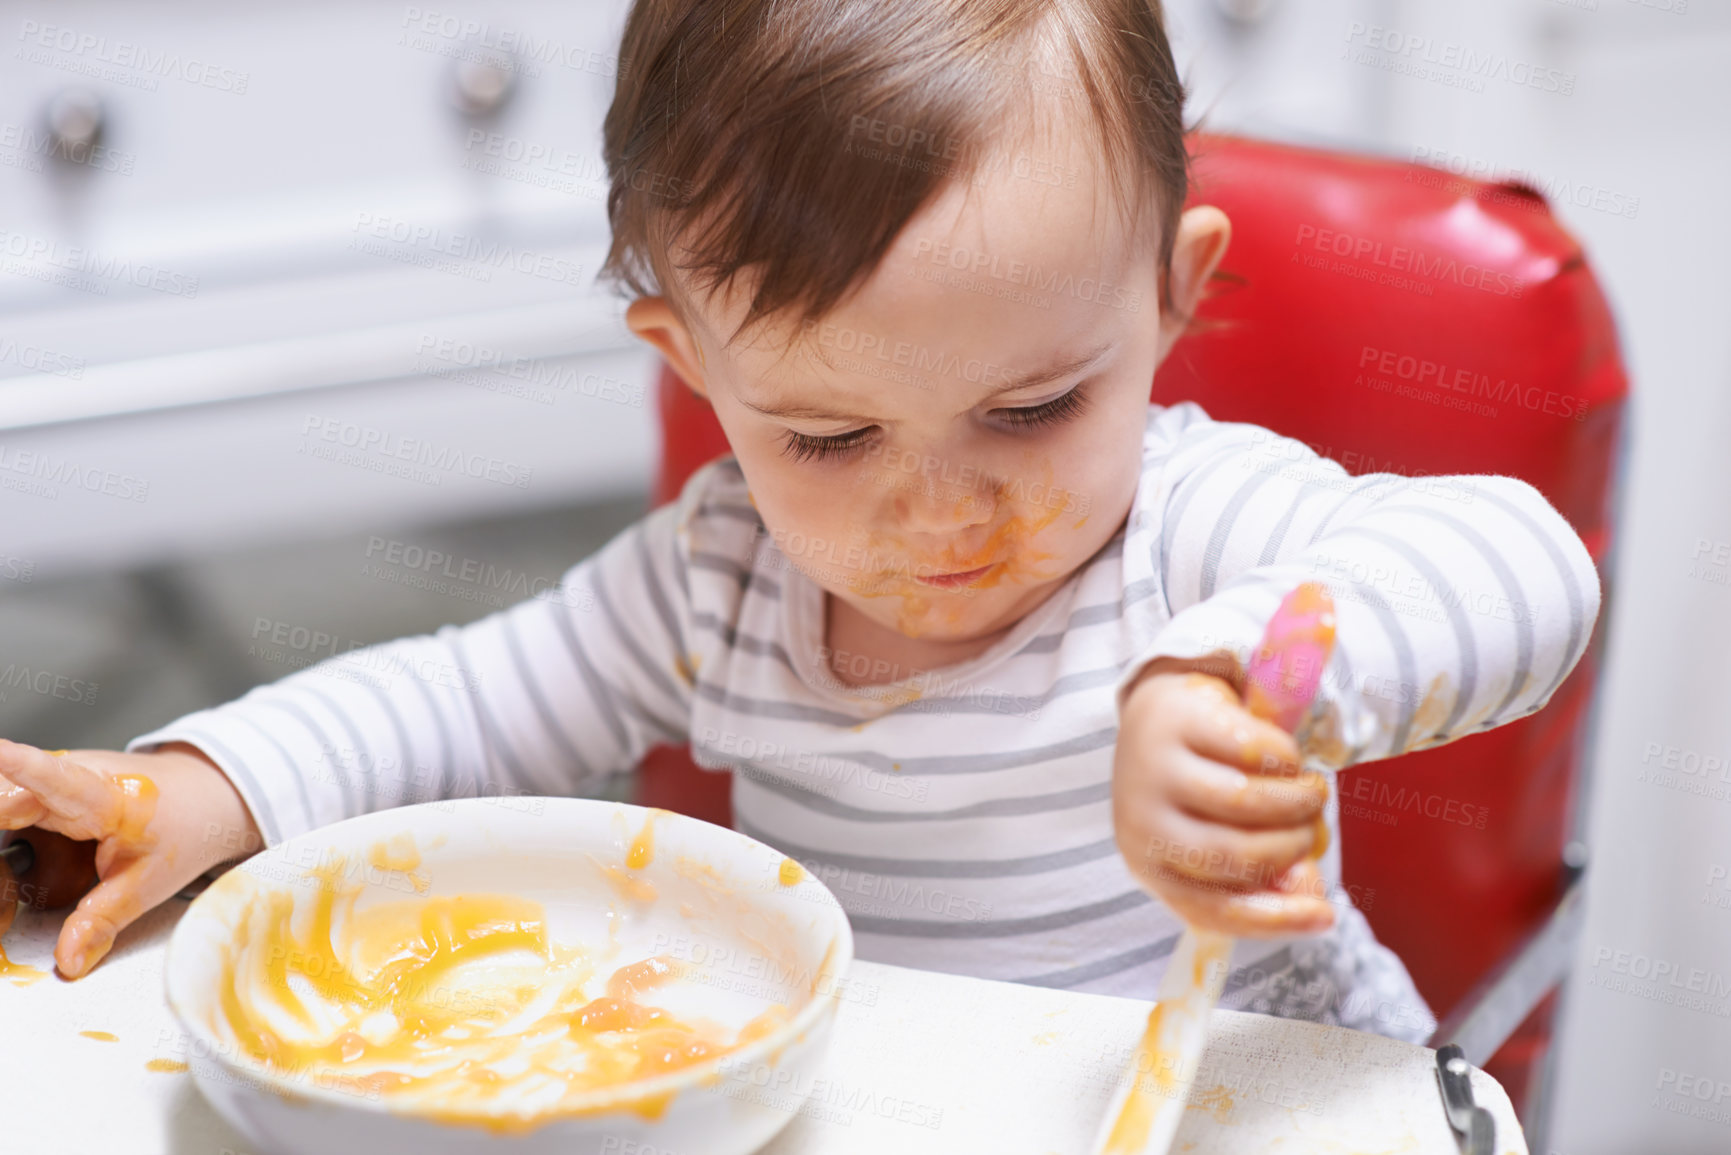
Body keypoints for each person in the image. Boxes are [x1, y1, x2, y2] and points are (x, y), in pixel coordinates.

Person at [0, 0, 1598, 1043]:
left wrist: (1248, 679)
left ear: (1172, 299)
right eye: (828, 436)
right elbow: (456, 700)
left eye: (1032, 409)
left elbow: (1518, 564)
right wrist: (191, 792)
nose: (941, 506)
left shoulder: (1194, 530)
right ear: (695, 370)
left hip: (1246, 1091)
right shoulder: (720, 580)